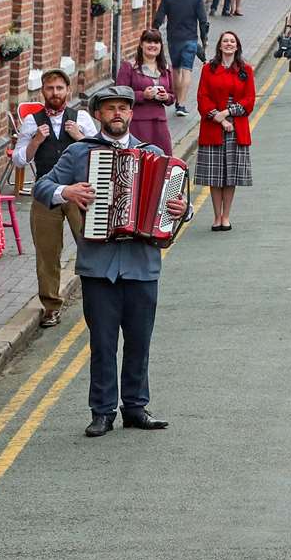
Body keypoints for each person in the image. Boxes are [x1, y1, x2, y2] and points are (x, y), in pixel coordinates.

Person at [33, 86, 191, 437]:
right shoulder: (78, 153)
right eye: (110, 109)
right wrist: (67, 192)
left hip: (142, 265)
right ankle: (102, 411)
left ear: (131, 114)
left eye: (123, 108)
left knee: (139, 340)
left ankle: (135, 407)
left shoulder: (152, 153)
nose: (117, 113)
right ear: (99, 115)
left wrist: (183, 210)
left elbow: (177, 205)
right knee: (102, 343)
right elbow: (41, 186)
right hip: (99, 266)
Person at [11, 69, 96, 328]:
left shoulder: (80, 117)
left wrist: (80, 136)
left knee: (91, 246)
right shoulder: (31, 122)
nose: (55, 93)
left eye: (60, 88)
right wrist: (36, 140)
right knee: (47, 253)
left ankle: (96, 300)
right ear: (42, 92)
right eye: (50, 89)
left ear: (68, 91)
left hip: (78, 192)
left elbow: (100, 151)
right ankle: (51, 306)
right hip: (45, 194)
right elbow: (19, 159)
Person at [195, 31, 256, 230]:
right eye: (225, 41)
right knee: (215, 175)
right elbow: (202, 97)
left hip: (237, 126)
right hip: (213, 125)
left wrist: (229, 112)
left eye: (232, 41)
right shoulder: (208, 69)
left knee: (231, 175)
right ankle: (216, 216)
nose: (229, 44)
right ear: (219, 46)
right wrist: (219, 118)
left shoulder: (245, 69)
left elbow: (249, 99)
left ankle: (226, 216)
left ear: (237, 46)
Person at [152, 0, 208, 117]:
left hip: (173, 38)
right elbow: (203, 20)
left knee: (176, 70)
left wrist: (154, 33)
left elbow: (159, 17)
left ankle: (177, 101)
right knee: (187, 70)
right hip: (190, 38)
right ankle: (182, 104)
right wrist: (204, 40)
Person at [115, 28, 174, 154]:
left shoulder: (166, 68)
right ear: (141, 44)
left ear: (161, 46)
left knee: (162, 161)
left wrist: (166, 97)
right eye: (149, 42)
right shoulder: (129, 66)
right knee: (138, 161)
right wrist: (143, 95)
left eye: (156, 42)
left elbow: (172, 96)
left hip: (159, 122)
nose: (152, 45)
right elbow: (119, 94)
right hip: (138, 122)